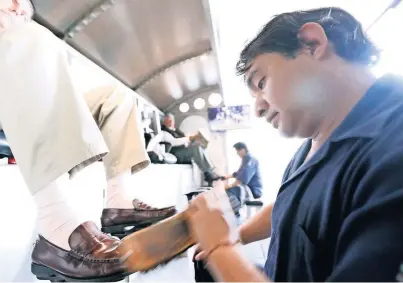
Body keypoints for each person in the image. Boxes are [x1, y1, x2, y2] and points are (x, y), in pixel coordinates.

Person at [189, 6, 403, 282]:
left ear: (312, 44)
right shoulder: (315, 143)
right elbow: (290, 206)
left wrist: (221, 249)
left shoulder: (392, 149)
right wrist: (235, 234)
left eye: (261, 82)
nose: (258, 109)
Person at [0, 0, 175, 281]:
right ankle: (56, 225)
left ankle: (118, 203)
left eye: (26, 2)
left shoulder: (13, 38)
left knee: (116, 98)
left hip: (12, 90)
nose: (20, 6)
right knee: (27, 37)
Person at [161, 113, 221, 185]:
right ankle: (208, 173)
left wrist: (193, 140)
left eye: (172, 120)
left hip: (182, 151)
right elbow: (173, 142)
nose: (171, 122)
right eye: (168, 120)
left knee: (198, 145)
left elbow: (184, 142)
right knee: (195, 147)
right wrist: (190, 138)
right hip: (174, 153)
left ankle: (209, 172)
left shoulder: (177, 131)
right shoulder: (164, 132)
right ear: (164, 122)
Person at [223, 142, 262, 215]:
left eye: (237, 151)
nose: (237, 154)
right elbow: (238, 173)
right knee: (231, 190)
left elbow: (243, 178)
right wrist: (225, 177)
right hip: (247, 189)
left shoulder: (251, 160)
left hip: (254, 190)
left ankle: (235, 214)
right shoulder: (245, 159)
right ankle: (233, 212)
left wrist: (228, 186)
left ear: (243, 150)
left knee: (232, 190)